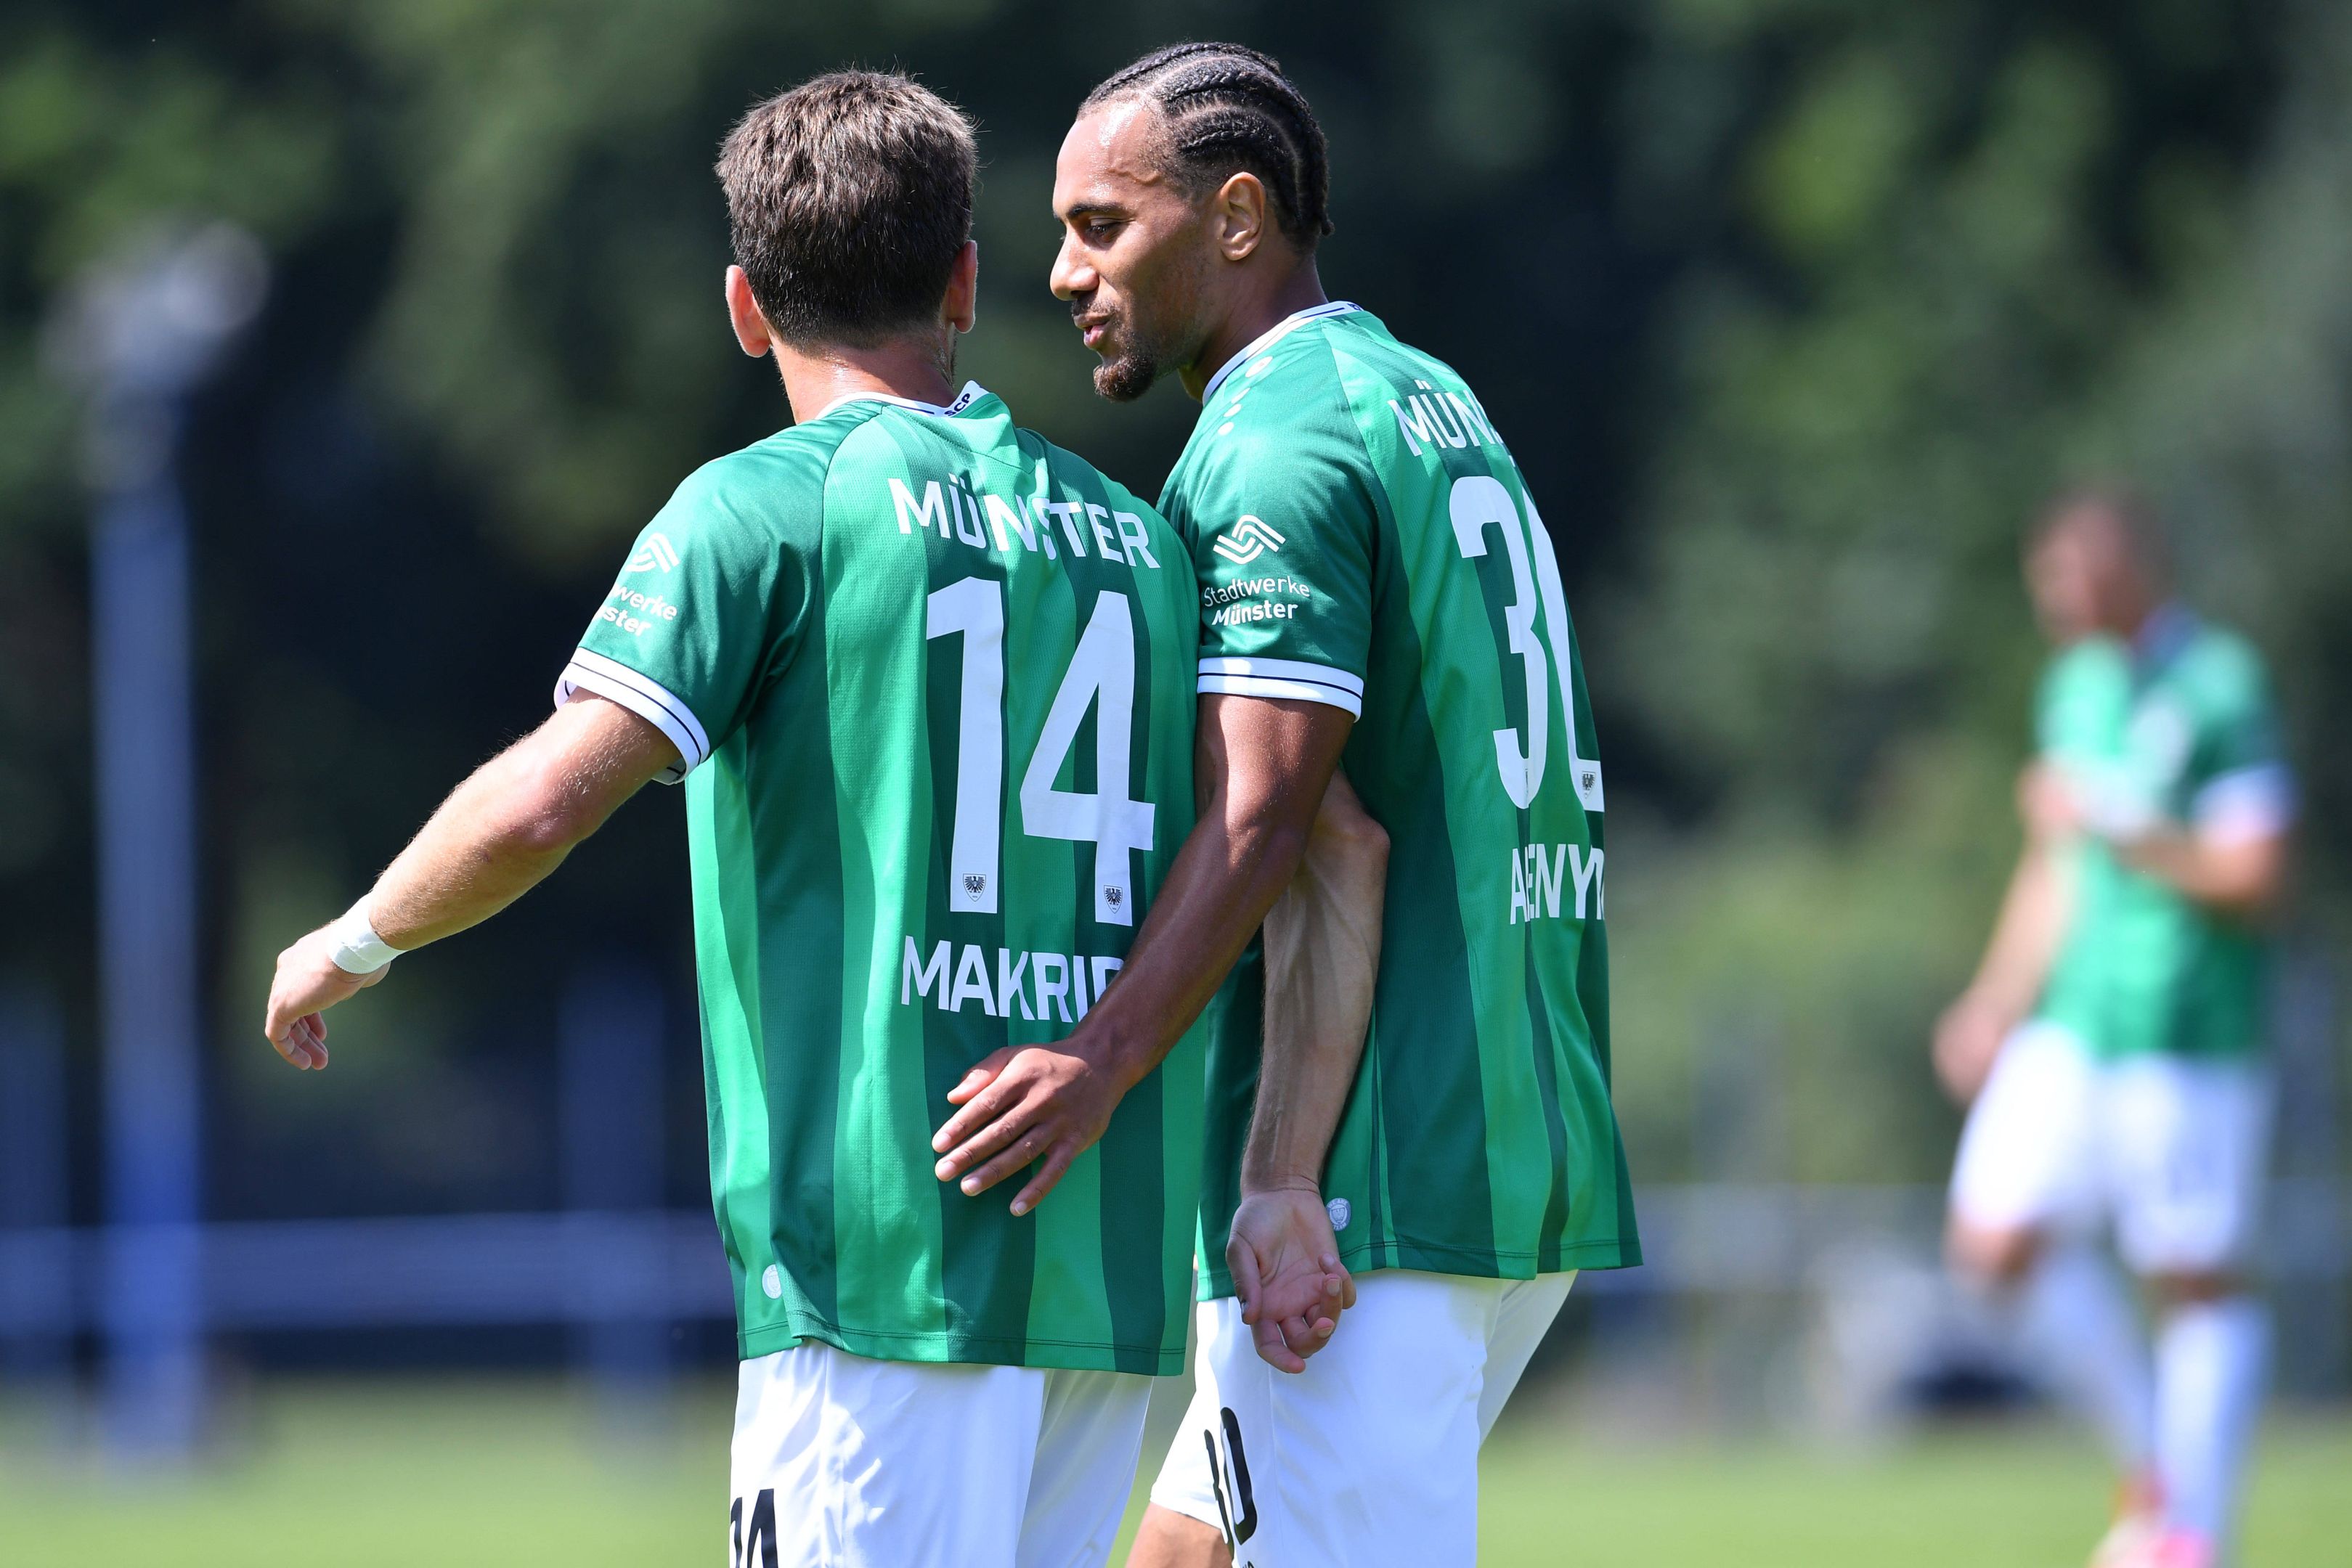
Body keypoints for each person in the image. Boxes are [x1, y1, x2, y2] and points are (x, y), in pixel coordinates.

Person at [264, 70, 1247, 1568]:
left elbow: (546, 802)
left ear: (742, 306)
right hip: (1099, 1277)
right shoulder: (1138, 545)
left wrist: (356, 939)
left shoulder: (763, 507)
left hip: (882, 1262)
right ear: (964, 282)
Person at [936, 42, 1644, 1567]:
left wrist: (1114, 1068)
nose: (1063, 273)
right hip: (1514, 1124)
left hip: (1381, 1166)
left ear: (1239, 216)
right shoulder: (1426, 396)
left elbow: (1287, 826)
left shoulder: (1272, 447)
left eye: (1102, 226)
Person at [1935, 491, 2293, 1568]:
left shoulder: (2220, 685)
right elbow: (2056, 870)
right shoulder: (2075, 687)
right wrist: (1996, 998)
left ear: (2131, 565)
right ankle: (2157, 1475)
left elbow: (2258, 875)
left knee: (2193, 1277)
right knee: (1991, 1246)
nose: (2054, 597)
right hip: (2075, 1025)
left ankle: (2192, 1536)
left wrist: (2139, 832)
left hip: (2185, 1034)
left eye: (2070, 574)